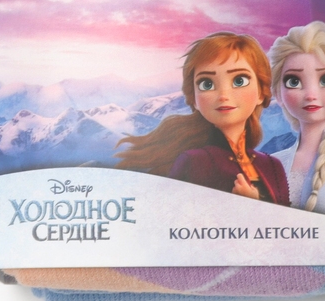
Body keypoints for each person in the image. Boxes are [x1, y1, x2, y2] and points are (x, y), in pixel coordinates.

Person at [116, 32, 289, 205]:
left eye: (239, 81)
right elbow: (177, 218)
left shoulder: (273, 166)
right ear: (194, 100)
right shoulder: (195, 162)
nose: (223, 95)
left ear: (261, 93)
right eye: (207, 84)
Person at [268, 22, 325, 221]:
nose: (311, 94)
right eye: (294, 81)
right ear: (278, 94)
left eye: (324, 80)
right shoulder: (272, 163)